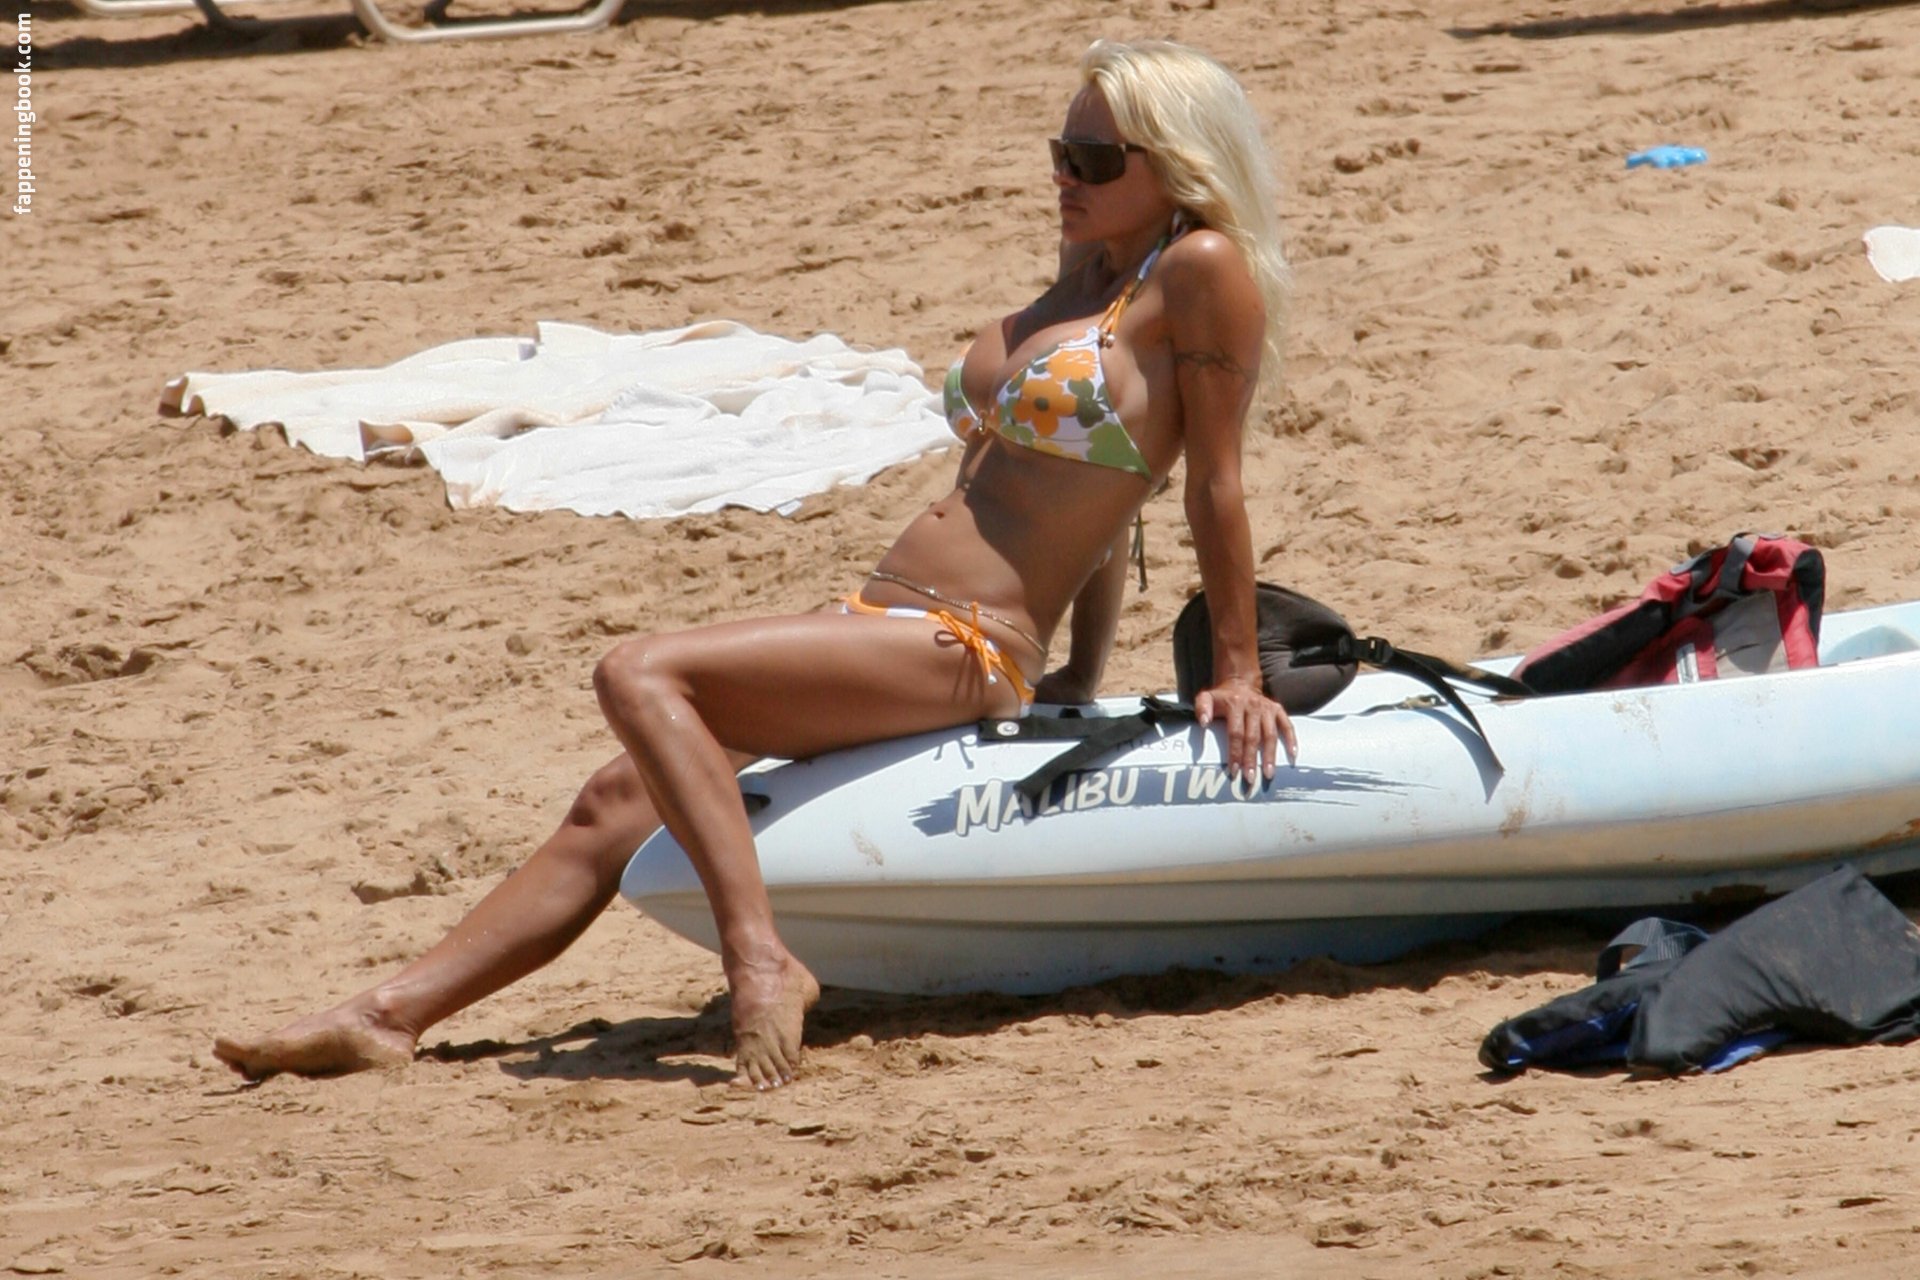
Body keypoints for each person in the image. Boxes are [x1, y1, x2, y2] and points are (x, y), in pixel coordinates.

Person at [213, 38, 1296, 1092]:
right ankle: (386, 1016)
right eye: (1061, 152)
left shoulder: (1202, 271)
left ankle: (760, 957)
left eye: (1096, 160)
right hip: (882, 613)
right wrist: (1085, 670)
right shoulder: (1092, 269)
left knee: (638, 672)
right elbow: (1085, 485)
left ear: (1175, 161)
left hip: (964, 641)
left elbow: (1209, 482)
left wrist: (1237, 671)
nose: (1066, 177)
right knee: (616, 796)